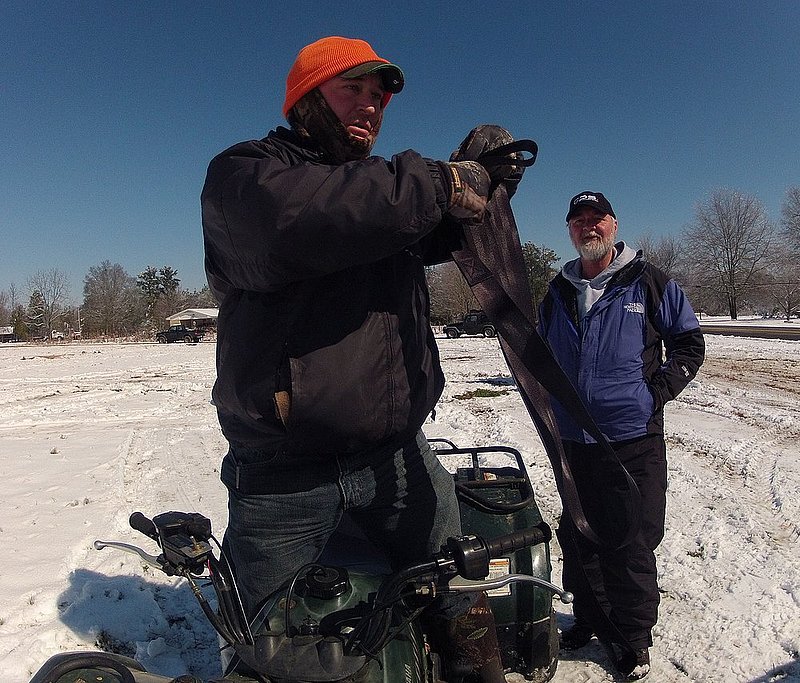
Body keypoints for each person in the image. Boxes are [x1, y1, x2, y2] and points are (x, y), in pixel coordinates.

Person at [201, 36, 515, 681]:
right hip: (284, 469)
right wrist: (438, 182)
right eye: (354, 90)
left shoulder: (377, 199)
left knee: (454, 588)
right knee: (267, 645)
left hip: (393, 453)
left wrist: (483, 185)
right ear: (306, 98)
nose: (371, 108)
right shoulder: (246, 176)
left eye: (379, 98)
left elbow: (421, 222)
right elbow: (309, 215)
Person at [537, 191, 705, 680]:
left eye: (597, 219)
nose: (589, 227)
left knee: (629, 540)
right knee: (578, 537)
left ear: (614, 226)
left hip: (632, 439)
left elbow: (689, 343)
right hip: (574, 440)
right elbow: (541, 349)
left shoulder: (649, 282)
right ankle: (590, 619)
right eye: (579, 220)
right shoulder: (559, 289)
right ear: (569, 229)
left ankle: (633, 637)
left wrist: (652, 396)